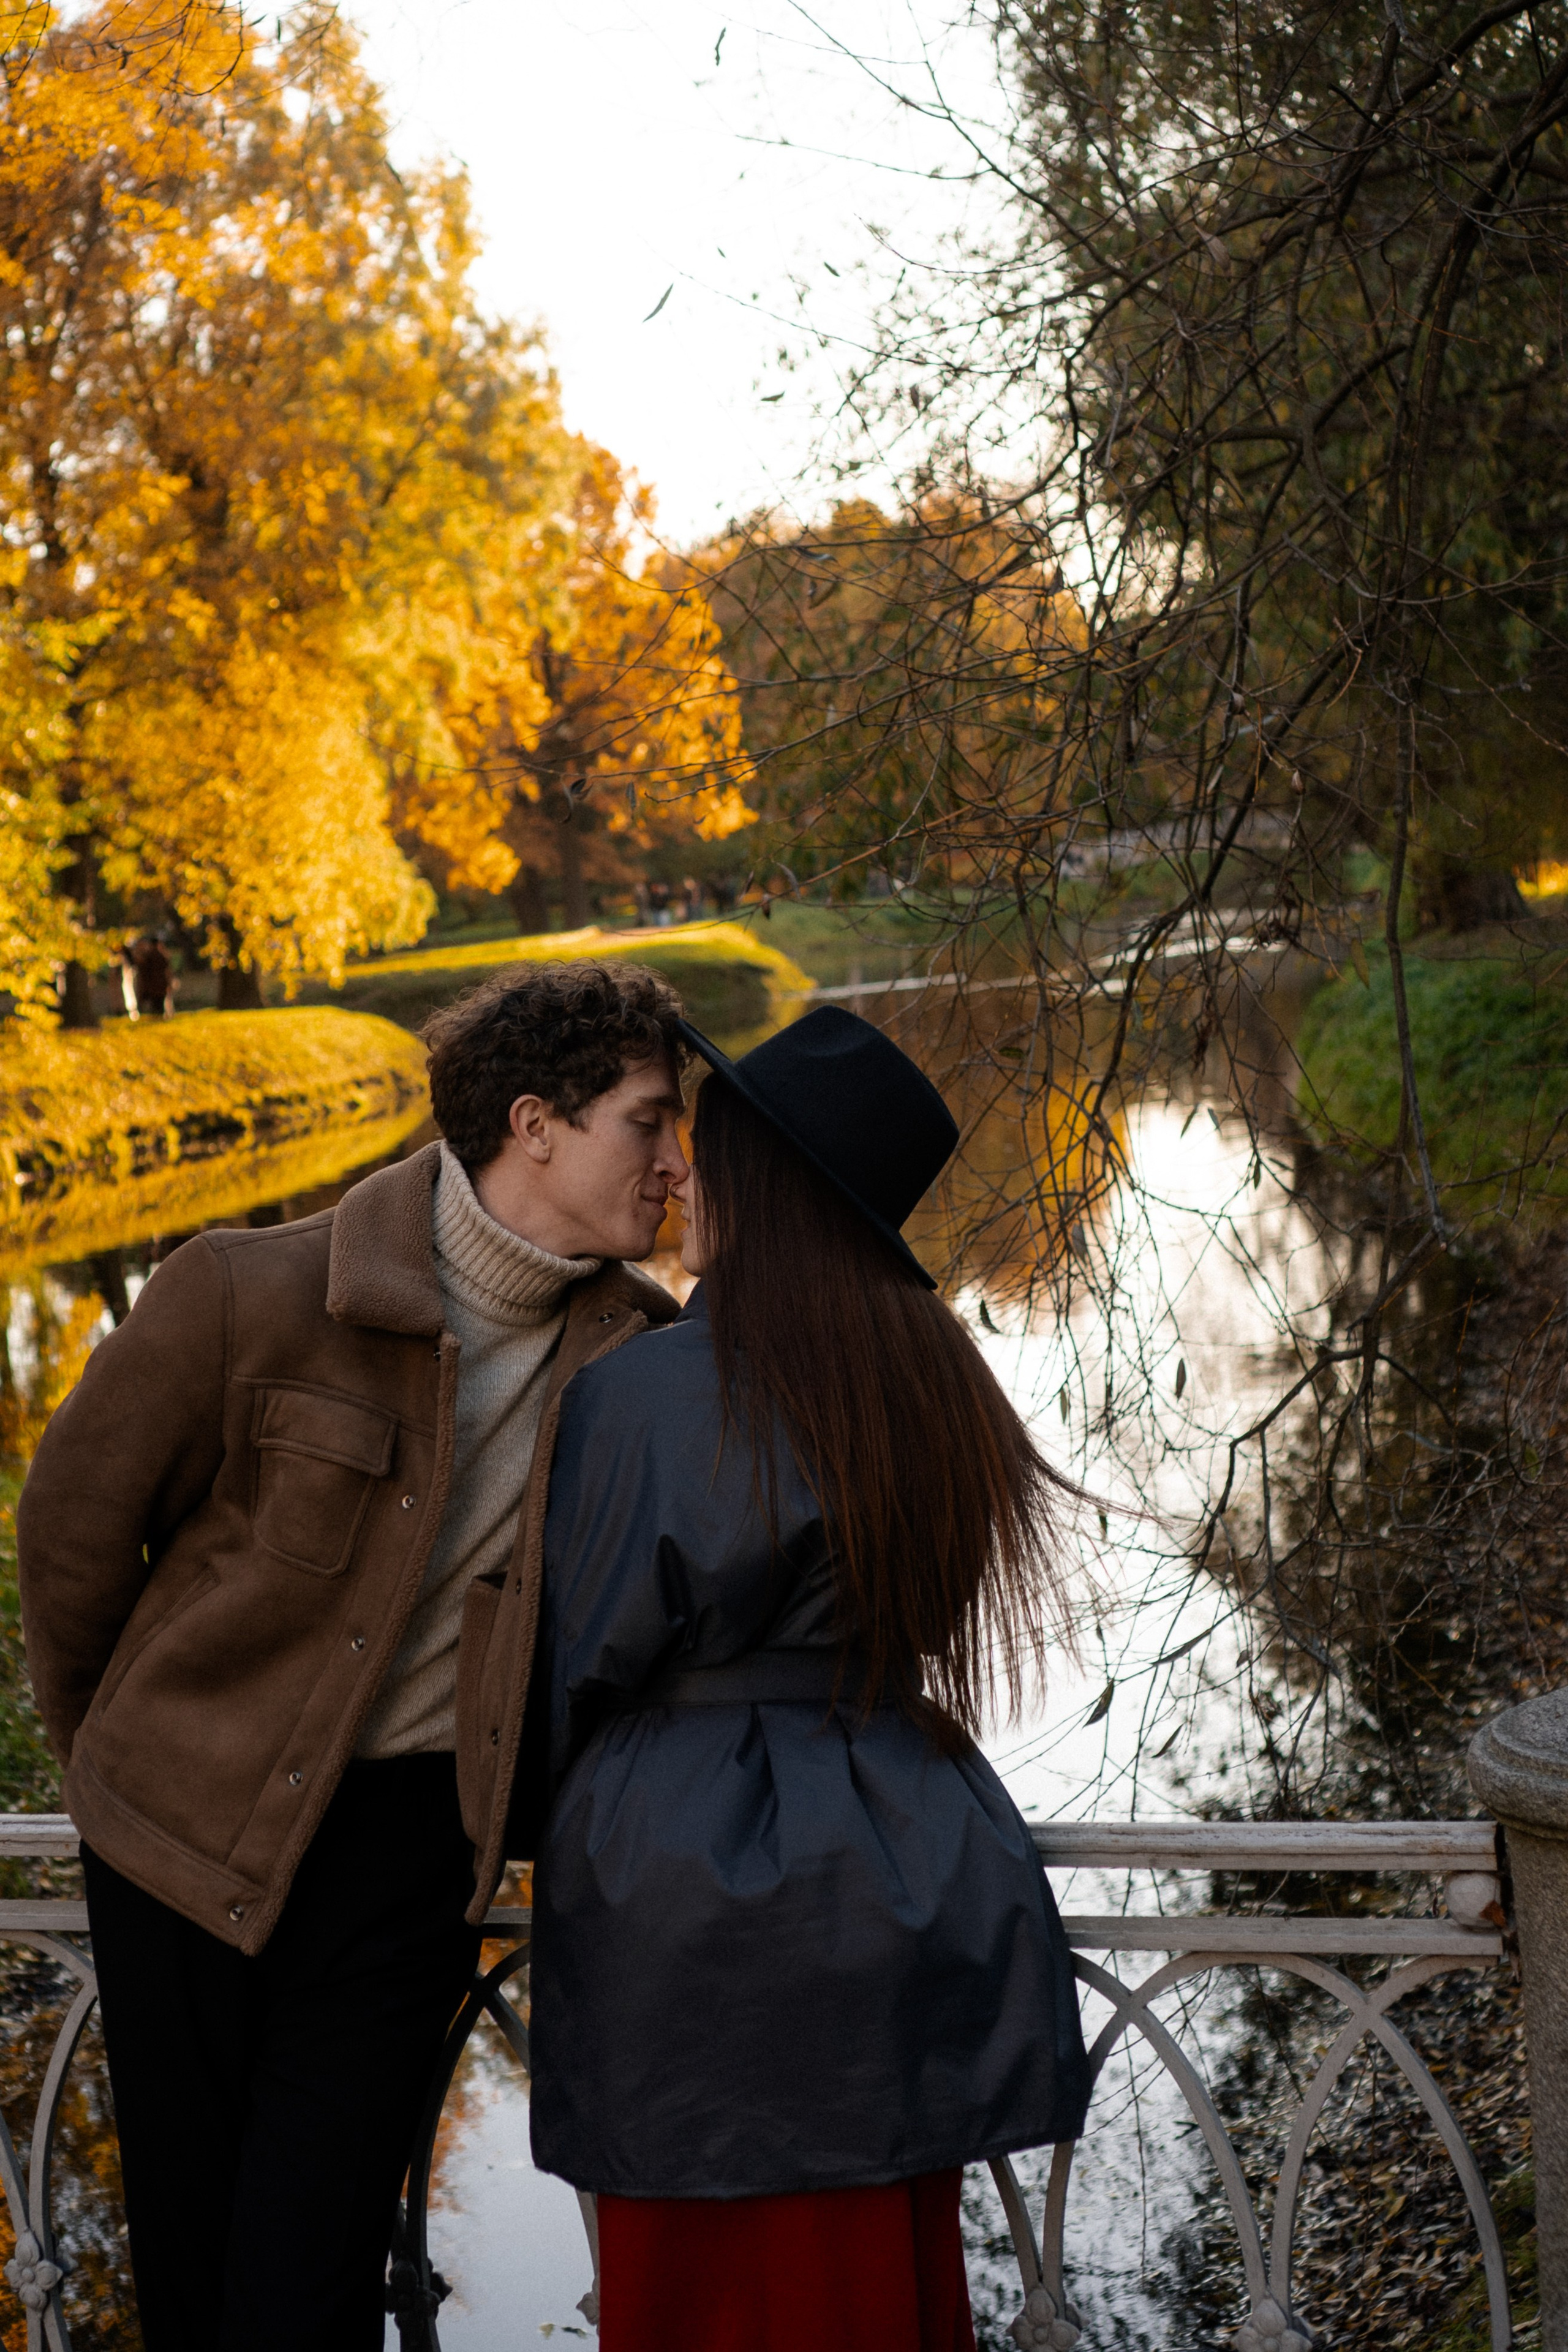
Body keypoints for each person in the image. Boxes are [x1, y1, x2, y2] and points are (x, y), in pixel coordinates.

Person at [17, 962, 689, 2352]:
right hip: (178, 1836)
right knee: (191, 2271)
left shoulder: (643, 1356)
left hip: (406, 1864)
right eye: (649, 1123)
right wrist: (111, 1770)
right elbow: (73, 1528)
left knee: (309, 2283)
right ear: (534, 1125)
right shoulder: (242, 1291)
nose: (678, 1164)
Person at [528, 1005, 1093, 2352]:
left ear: (763, 1192)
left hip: (685, 1909)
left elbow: (580, 1661)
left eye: (702, 1159)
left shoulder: (649, 1394)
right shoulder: (940, 1379)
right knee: (876, 2283)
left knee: (707, 2298)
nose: (675, 1178)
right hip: (900, 1865)